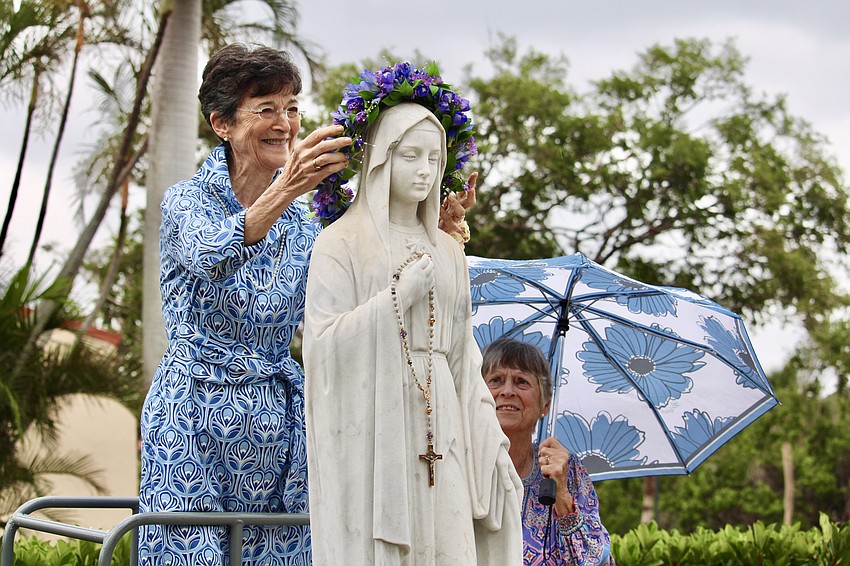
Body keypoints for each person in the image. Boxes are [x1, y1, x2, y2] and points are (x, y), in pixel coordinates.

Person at [138, 44, 473, 565]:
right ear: (221, 123)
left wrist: (437, 234)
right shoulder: (185, 201)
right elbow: (210, 254)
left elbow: (364, 285)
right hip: (194, 420)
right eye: (266, 108)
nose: (285, 123)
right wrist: (288, 187)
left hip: (285, 429)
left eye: (292, 107)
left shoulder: (306, 224)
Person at [303, 102, 523, 564]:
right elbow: (319, 347)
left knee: (448, 542)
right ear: (382, 158)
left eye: (434, 160)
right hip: (372, 419)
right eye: (411, 156)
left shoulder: (448, 251)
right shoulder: (339, 243)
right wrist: (394, 301)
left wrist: (490, 440)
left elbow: (465, 358)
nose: (425, 171)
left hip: (442, 411)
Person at [481, 338, 616, 565]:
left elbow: (599, 560)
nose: (507, 391)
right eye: (495, 380)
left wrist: (561, 494)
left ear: (545, 404)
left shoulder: (566, 469)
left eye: (521, 382)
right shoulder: (460, 463)